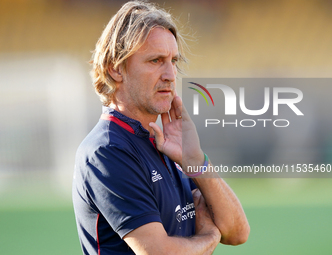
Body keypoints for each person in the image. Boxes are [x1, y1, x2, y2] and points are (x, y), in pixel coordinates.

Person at [72, 1, 250, 254]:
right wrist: (210, 237)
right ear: (115, 69)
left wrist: (195, 160)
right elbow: (158, 251)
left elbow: (237, 231)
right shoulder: (108, 150)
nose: (170, 74)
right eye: (155, 60)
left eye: (173, 61)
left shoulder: (164, 142)